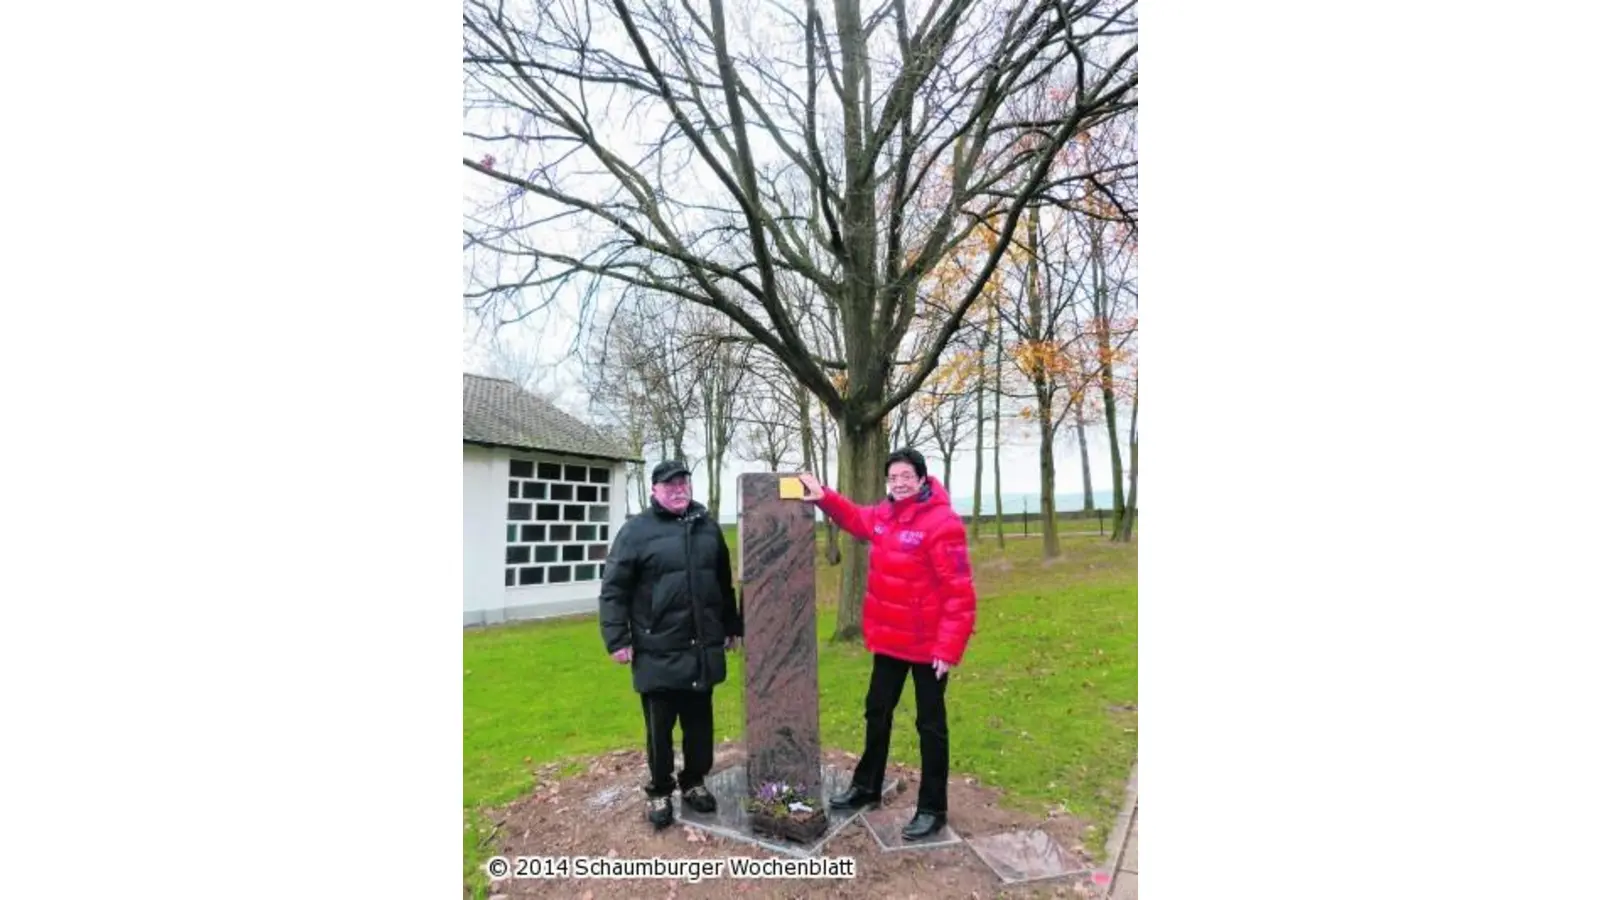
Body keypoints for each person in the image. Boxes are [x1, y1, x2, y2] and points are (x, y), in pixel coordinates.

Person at [796, 448, 977, 841]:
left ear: (922, 478)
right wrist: (823, 495)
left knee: (931, 726)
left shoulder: (943, 523)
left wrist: (948, 649)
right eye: (892, 477)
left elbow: (960, 591)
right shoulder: (884, 515)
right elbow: (855, 517)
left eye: (906, 476)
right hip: (890, 644)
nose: (898, 483)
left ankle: (932, 808)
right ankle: (866, 787)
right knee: (876, 713)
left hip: (929, 649)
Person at [599, 460, 742, 830]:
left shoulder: (708, 528)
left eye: (683, 483)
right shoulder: (635, 532)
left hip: (701, 649)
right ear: (654, 490)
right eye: (669, 485)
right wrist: (617, 638)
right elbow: (614, 590)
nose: (678, 490)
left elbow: (723, 585)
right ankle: (659, 790)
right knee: (659, 730)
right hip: (657, 648)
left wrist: (731, 626)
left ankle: (694, 782)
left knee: (699, 727)